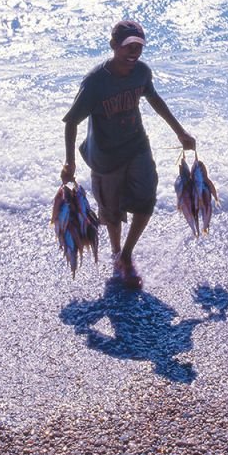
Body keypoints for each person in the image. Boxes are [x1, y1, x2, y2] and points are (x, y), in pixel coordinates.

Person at [62, 20, 196, 286]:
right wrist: (70, 161)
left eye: (138, 46)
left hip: (137, 145)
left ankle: (126, 255)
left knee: (146, 201)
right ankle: (115, 253)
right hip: (105, 154)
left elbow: (154, 99)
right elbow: (71, 122)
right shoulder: (95, 83)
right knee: (111, 212)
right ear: (114, 46)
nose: (133, 52)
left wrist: (180, 132)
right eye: (127, 46)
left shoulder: (142, 73)